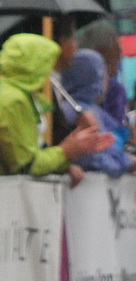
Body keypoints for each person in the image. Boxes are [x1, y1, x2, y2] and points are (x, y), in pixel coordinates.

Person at [0, 33, 111, 178]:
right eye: (48, 63)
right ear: (34, 64)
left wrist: (64, 163)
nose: (50, 72)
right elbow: (25, 165)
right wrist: (66, 151)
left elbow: (31, 153)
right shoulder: (13, 100)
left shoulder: (20, 95)